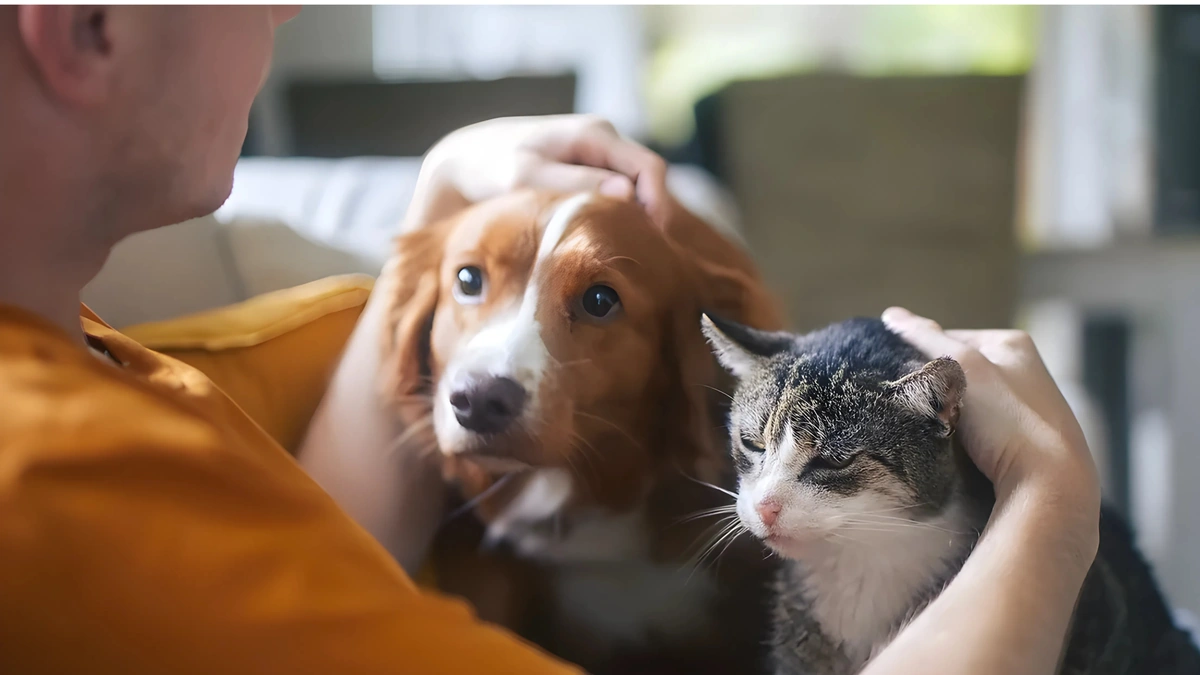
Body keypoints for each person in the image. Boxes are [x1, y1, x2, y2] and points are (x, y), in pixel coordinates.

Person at [0, 6, 1100, 675]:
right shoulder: (58, 480)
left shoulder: (73, 349)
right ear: (86, 26)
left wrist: (444, 211)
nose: (287, 8)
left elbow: (326, 559)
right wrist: (1053, 502)